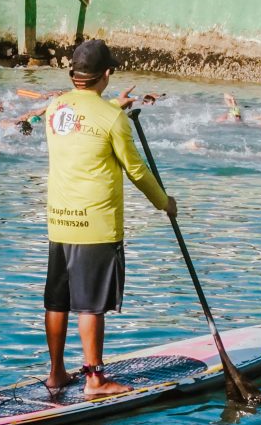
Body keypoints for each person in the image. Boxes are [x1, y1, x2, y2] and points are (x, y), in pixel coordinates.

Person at [43, 39, 176, 396]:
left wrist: (111, 106)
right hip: (95, 225)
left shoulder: (55, 109)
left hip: (59, 221)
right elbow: (137, 170)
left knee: (57, 301)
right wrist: (164, 202)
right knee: (90, 306)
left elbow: (83, 120)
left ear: (73, 75)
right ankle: (95, 380)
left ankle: (56, 373)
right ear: (106, 73)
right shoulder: (113, 119)